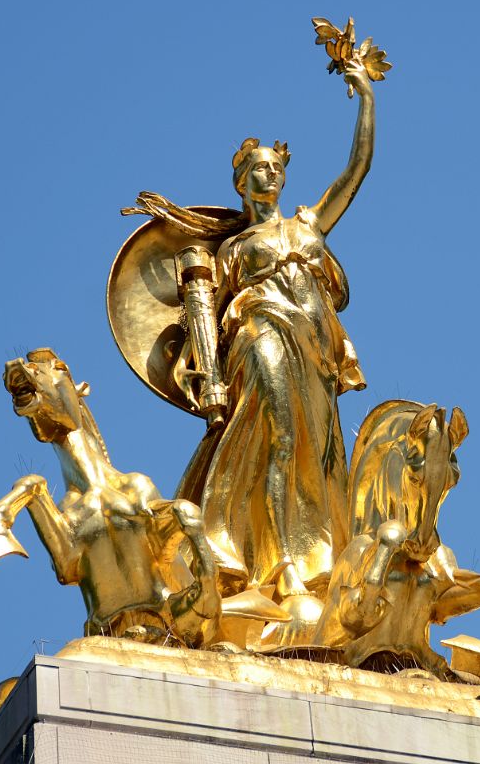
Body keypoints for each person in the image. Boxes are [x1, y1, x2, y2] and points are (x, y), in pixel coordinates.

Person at [170, 61, 375, 601]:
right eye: (258, 169)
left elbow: (356, 170)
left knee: (321, 452)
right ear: (241, 182)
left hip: (315, 349)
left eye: (275, 167)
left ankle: (314, 559)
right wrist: (209, 380)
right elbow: (201, 321)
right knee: (280, 437)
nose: (270, 175)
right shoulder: (232, 251)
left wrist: (366, 99)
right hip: (258, 329)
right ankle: (278, 561)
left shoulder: (308, 225)